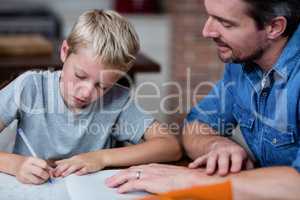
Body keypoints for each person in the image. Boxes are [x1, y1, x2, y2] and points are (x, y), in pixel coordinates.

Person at [105, 0, 300, 199]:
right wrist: (216, 145)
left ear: (274, 27)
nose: (207, 31)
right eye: (210, 16)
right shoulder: (241, 63)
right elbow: (196, 124)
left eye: (226, 23)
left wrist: (193, 181)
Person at [0, 9, 181, 185]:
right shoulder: (30, 87)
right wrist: (15, 165)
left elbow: (169, 146)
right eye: (80, 76)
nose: (86, 93)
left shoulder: (117, 100)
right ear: (64, 51)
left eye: (102, 86)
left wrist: (100, 158)